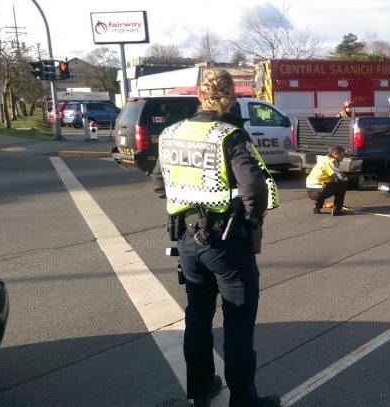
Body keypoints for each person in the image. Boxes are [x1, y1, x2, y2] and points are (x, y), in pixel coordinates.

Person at [154, 69, 280, 407]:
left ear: (199, 96)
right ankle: (244, 401)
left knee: (197, 315)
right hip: (226, 243)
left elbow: (158, 183)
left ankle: (200, 391)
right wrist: (251, 218)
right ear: (232, 99)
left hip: (186, 240)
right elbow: (254, 188)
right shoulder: (230, 136)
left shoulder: (171, 133)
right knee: (237, 322)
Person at [306, 145, 348, 216]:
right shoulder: (331, 161)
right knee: (342, 184)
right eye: (342, 155)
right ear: (335, 153)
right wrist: (348, 179)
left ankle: (317, 206)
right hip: (318, 192)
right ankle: (337, 210)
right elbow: (338, 177)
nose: (342, 158)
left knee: (326, 183)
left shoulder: (324, 159)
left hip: (310, 191)